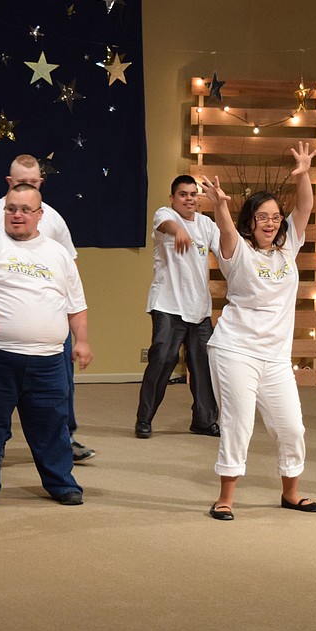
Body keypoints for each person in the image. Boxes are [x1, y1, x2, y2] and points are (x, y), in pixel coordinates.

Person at [0, 183, 92, 506]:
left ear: (40, 215)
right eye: (11, 208)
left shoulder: (58, 255)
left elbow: (75, 304)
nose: (17, 215)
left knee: (52, 424)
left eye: (25, 210)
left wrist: (81, 340)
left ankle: (61, 482)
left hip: (48, 359)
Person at [199, 141, 316, 521]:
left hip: (275, 357)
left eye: (274, 217)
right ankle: (226, 497)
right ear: (250, 222)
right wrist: (221, 205)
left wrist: (303, 175)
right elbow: (225, 230)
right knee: (238, 425)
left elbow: (305, 208)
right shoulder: (237, 252)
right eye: (262, 217)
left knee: (292, 428)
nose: (270, 223)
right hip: (235, 349)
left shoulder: (289, 248)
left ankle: (291, 493)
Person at [0, 155, 94, 463]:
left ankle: (66, 437)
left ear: (41, 183)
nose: (28, 187)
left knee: (60, 388)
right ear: (9, 183)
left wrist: (79, 332)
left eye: (35, 182)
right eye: (21, 183)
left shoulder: (52, 218)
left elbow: (70, 269)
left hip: (51, 323)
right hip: (2, 331)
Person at [135, 175, 222, 439]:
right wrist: (179, 230)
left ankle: (204, 421)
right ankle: (144, 419)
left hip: (200, 309)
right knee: (162, 359)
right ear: (173, 198)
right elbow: (166, 224)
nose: (189, 199)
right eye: (183, 194)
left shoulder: (207, 225)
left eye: (193, 194)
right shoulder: (165, 214)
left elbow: (226, 250)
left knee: (203, 366)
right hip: (168, 305)